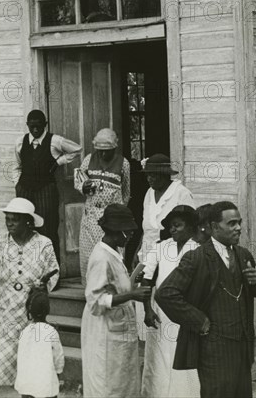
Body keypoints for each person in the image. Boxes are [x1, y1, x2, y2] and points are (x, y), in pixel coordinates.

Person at [156, 201, 256, 398]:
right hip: (213, 348)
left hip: (242, 345)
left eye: (239, 223)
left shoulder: (243, 255)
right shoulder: (196, 258)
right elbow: (165, 293)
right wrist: (198, 321)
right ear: (215, 227)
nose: (238, 228)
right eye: (232, 223)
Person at [0, 198, 59, 398]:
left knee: (26, 363)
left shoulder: (43, 244)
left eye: (15, 220)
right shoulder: (0, 243)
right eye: (7, 219)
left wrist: (44, 288)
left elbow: (54, 272)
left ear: (28, 221)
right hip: (0, 311)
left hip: (28, 312)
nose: (9, 223)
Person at [81, 203, 152, 398]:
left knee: (122, 380)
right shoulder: (101, 258)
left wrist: (131, 282)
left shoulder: (114, 252)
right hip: (105, 329)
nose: (130, 236)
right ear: (115, 231)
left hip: (118, 325)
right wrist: (131, 295)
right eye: (127, 232)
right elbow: (95, 301)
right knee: (107, 382)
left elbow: (113, 285)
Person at [141, 205, 201, 398]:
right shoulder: (161, 247)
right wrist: (147, 310)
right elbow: (146, 279)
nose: (173, 230)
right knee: (159, 359)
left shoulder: (198, 250)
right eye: (171, 226)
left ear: (191, 227)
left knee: (184, 357)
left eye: (178, 225)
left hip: (186, 314)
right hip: (160, 314)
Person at [136, 153, 195, 339]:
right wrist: (138, 252)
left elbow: (190, 227)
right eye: (147, 175)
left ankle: (173, 348)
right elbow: (146, 227)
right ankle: (151, 352)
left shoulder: (181, 193)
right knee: (146, 298)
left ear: (165, 174)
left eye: (154, 175)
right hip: (147, 252)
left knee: (165, 297)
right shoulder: (148, 193)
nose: (150, 178)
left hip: (171, 254)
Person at [14, 109, 82, 262]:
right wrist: (17, 184)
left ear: (45, 124)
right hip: (24, 190)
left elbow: (77, 149)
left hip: (46, 190)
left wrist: (59, 161)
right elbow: (17, 166)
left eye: (39, 126)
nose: (36, 130)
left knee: (48, 229)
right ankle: (29, 269)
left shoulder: (55, 141)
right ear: (27, 125)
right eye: (32, 126)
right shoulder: (20, 142)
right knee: (25, 229)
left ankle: (52, 272)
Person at [75, 128, 131, 284]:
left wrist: (117, 212)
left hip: (111, 219)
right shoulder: (88, 160)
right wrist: (83, 187)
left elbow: (126, 192)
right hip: (91, 217)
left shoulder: (123, 164)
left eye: (107, 151)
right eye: (100, 151)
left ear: (114, 148)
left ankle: (112, 293)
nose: (103, 154)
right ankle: (91, 292)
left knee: (111, 255)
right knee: (89, 256)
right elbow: (78, 179)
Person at [15, 282, 64, 398]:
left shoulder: (25, 332)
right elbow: (58, 355)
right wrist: (58, 371)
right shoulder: (51, 332)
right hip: (45, 383)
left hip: (26, 383)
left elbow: (20, 355)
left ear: (29, 311)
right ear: (48, 310)